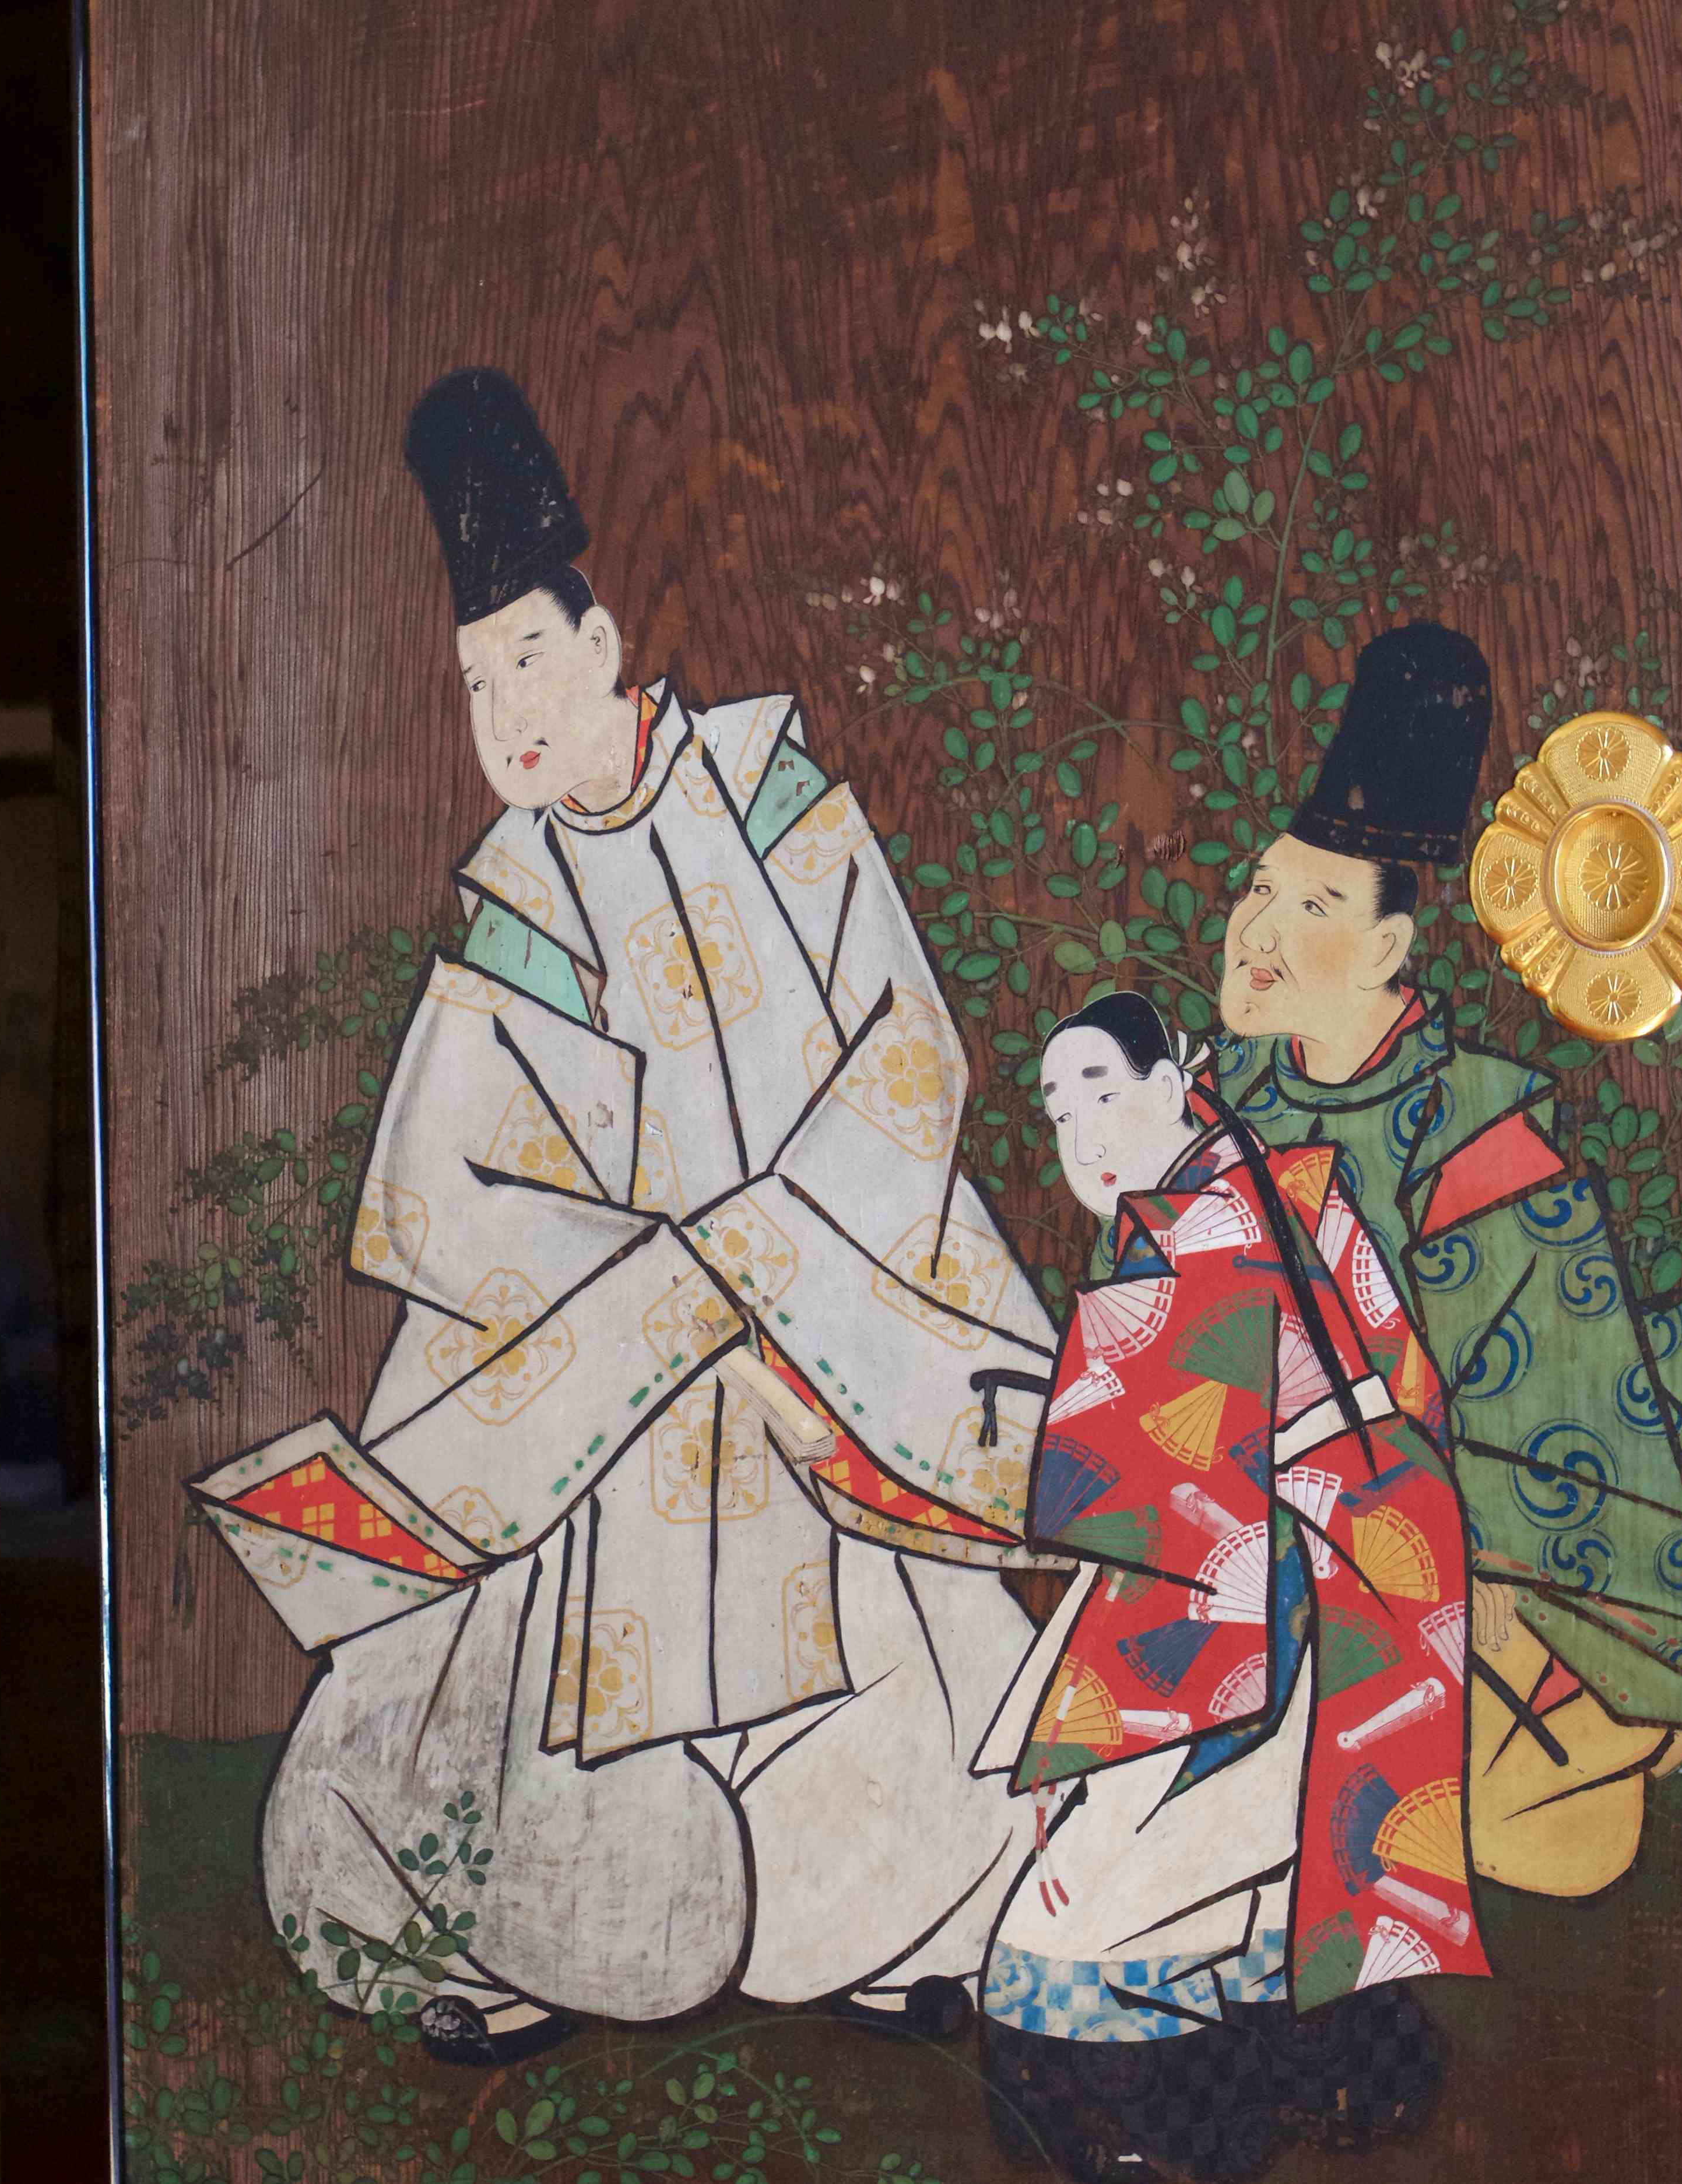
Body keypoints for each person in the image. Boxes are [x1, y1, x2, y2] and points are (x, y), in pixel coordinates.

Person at [191, 367, 1061, 2062]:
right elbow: (441, 1192)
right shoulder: (516, 897)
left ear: (600, 647)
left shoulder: (773, 796)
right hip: (625, 1384)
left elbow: (908, 1055)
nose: (504, 710)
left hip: (819, 1346)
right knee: (539, 1678)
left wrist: (775, 1276)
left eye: (526, 659)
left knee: (893, 1642)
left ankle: (901, 1918)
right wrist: (657, 1301)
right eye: (472, 681)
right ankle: (516, 1931)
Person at [1202, 621, 1682, 1889]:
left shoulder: (1474, 1134)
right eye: (1259, 890)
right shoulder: (1220, 1096)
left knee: (1531, 1847)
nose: (1256, 930)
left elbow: (1564, 1398)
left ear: (1387, 949)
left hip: (1501, 1533)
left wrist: (1470, 1545)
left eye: (1311, 905)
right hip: (1298, 1529)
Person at [975, 991, 1480, 2179]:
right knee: (1293, 1867)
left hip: (1287, 1569)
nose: (1081, 1133)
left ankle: (1171, 2126)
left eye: (1102, 1092)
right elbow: (1402, 1375)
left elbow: (1128, 1482)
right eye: (1058, 1112)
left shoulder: (1208, 1223)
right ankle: (1317, 2074)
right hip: (1364, 1529)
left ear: (1170, 1083)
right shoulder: (1271, 1181)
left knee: (1113, 1872)